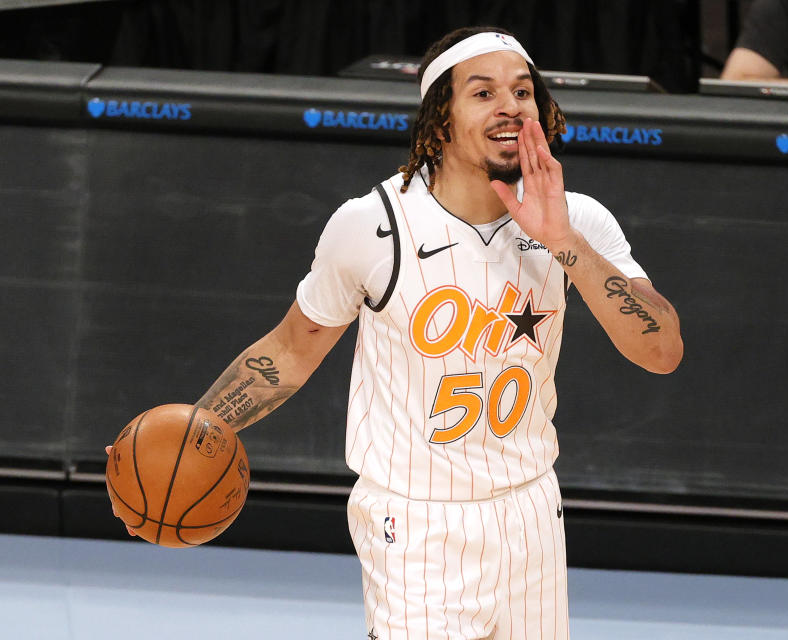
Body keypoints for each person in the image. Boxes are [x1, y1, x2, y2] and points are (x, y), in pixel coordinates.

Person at [109, 26, 683, 638]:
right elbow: (291, 349)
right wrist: (197, 433)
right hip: (415, 525)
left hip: (531, 511)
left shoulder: (578, 220)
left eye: (522, 91)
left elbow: (661, 351)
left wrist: (564, 242)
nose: (511, 106)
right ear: (440, 121)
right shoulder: (372, 226)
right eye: (483, 93)